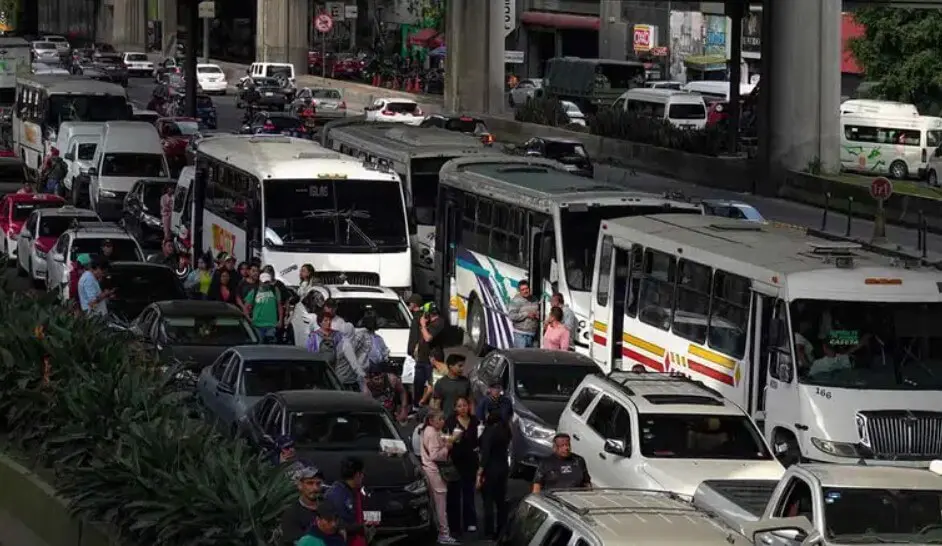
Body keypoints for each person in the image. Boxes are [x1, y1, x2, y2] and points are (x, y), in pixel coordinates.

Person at [421, 410, 458, 545]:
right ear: (431, 421)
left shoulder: (427, 430)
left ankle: (439, 531)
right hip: (435, 471)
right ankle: (444, 534)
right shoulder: (431, 433)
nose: (443, 421)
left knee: (436, 504)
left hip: (429, 470)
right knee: (440, 505)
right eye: (440, 419)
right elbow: (435, 455)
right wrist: (447, 447)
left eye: (443, 419)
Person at [445, 396, 479, 535]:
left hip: (471, 462)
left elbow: (479, 439)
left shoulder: (475, 421)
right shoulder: (451, 421)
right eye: (459, 406)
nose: (463, 408)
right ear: (455, 408)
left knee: (469, 494)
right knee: (454, 495)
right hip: (455, 462)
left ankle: (470, 521)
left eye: (465, 405)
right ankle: (454, 526)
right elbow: (446, 438)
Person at [477, 409, 511, 540]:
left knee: (488, 501)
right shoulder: (505, 431)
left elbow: (485, 453)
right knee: (501, 501)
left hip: (490, 470)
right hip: (503, 468)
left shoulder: (489, 432)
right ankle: (502, 528)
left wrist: (480, 471)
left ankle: (489, 531)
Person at [324, 456, 371, 546]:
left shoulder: (350, 491)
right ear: (358, 475)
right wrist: (362, 527)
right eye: (362, 474)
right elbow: (337, 525)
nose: (363, 477)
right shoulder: (338, 495)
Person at [279, 465, 326, 546]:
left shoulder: (327, 506)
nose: (315, 488)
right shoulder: (292, 513)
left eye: (318, 483)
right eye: (310, 483)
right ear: (300, 485)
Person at [414, 302, 446, 411]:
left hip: (432, 360)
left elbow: (428, 338)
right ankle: (417, 405)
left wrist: (422, 325)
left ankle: (428, 406)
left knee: (432, 385)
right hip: (422, 359)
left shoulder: (439, 323)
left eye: (425, 313)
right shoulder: (430, 323)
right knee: (418, 383)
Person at [246, 272, 283, 343]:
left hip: (271, 324)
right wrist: (248, 319)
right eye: (264, 282)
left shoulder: (275, 290)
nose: (266, 284)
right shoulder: (254, 291)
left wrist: (280, 320)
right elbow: (246, 307)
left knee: (271, 346)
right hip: (257, 325)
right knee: (259, 345)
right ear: (260, 282)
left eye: (268, 282)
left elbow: (279, 305)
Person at [432, 354, 472, 420]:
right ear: (450, 366)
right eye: (460, 366)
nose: (462, 369)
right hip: (447, 420)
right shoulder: (441, 383)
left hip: (464, 420)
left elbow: (471, 401)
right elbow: (437, 405)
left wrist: (473, 418)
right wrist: (440, 420)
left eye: (463, 366)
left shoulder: (466, 381)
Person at [507, 280, 539, 348]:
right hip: (520, 335)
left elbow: (536, 311)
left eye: (526, 288)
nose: (525, 291)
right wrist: (526, 314)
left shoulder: (535, 299)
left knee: (531, 358)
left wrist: (537, 315)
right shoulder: (516, 301)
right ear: (519, 291)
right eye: (523, 289)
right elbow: (511, 316)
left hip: (532, 335)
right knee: (520, 357)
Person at [335, 322, 367, 390]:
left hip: (341, 378)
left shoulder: (341, 342)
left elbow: (357, 331)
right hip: (347, 381)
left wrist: (365, 329)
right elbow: (354, 364)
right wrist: (364, 375)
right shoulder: (347, 346)